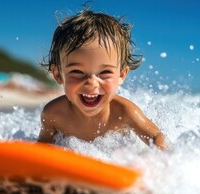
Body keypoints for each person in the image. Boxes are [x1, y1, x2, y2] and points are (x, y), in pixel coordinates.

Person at [38, 10, 167, 149]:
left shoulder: (124, 113)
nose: (92, 83)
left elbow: (156, 137)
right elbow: (41, 150)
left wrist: (164, 161)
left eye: (105, 72)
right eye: (77, 71)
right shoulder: (53, 114)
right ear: (58, 74)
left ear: (121, 75)